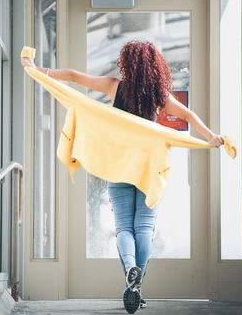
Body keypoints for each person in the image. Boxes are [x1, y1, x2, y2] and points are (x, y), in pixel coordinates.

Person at [21, 40, 224, 314]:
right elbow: (188, 114)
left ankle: (131, 273)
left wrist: (36, 69)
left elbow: (72, 76)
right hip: (149, 169)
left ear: (126, 63)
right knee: (144, 228)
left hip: (118, 167)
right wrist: (211, 137)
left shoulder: (115, 86)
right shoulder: (159, 96)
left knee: (124, 228)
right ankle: (137, 285)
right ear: (155, 66)